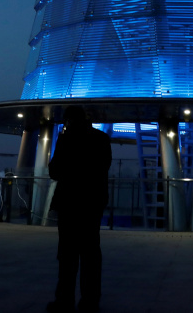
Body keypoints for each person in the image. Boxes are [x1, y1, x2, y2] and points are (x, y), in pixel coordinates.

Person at [47, 105, 112, 313]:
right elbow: (103, 168)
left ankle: (64, 300)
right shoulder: (101, 139)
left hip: (70, 203)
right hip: (92, 203)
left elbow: (54, 171)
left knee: (67, 255)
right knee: (91, 254)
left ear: (69, 120)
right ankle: (90, 301)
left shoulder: (66, 139)